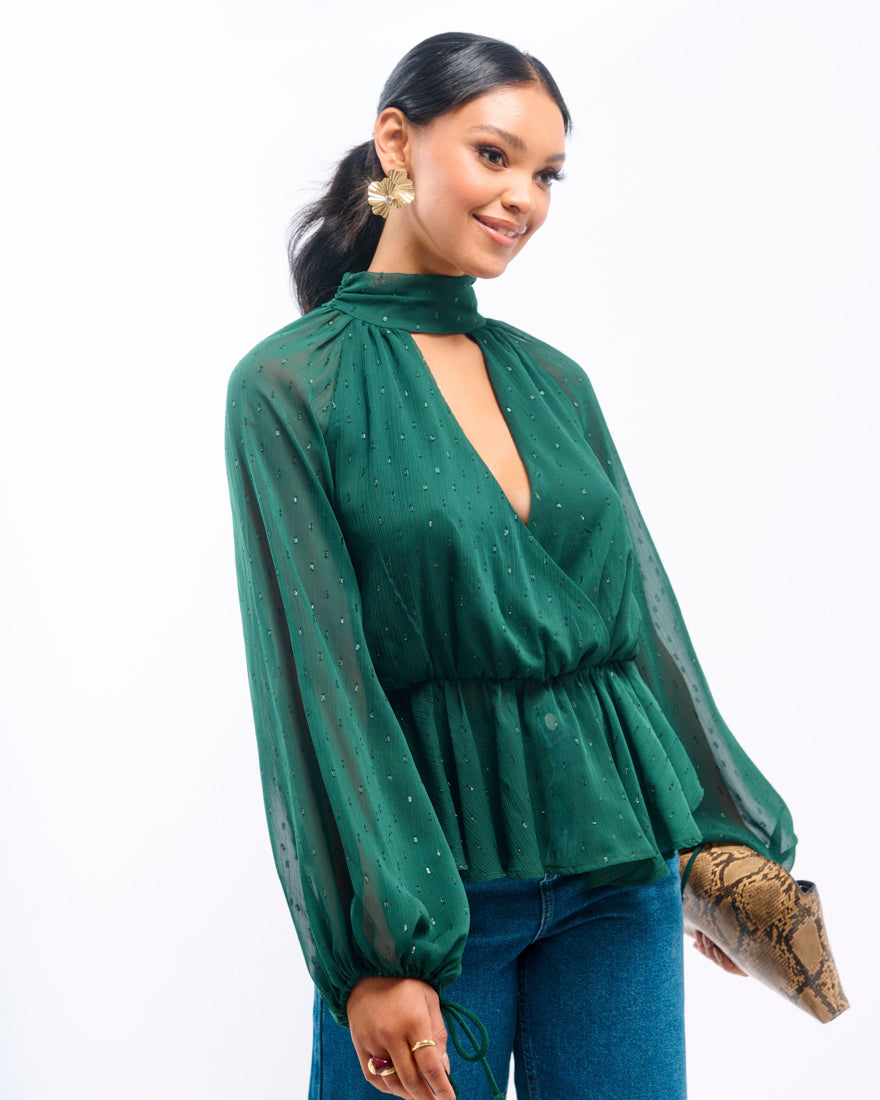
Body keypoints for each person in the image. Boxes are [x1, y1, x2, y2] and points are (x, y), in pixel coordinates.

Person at [225, 32, 795, 1100]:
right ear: (398, 140)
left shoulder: (554, 381)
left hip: (621, 874)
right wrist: (380, 949)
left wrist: (727, 835)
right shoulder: (289, 386)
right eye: (495, 155)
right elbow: (317, 681)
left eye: (546, 174)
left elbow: (642, 633)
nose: (524, 198)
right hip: (435, 896)